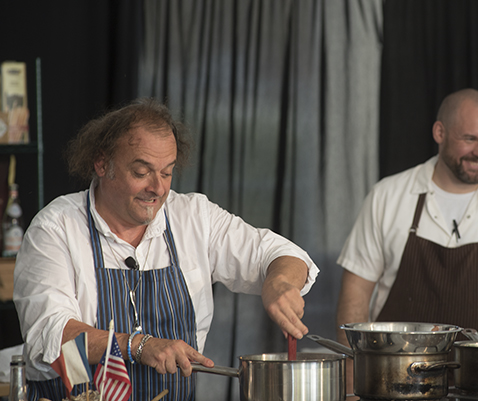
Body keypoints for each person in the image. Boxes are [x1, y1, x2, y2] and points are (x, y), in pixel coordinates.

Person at [13, 98, 319, 401]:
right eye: (142, 171)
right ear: (103, 163)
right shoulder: (56, 228)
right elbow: (50, 336)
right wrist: (139, 345)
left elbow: (280, 254)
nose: (158, 188)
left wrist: (279, 281)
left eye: (167, 172)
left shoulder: (193, 217)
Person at [336, 88, 478, 372]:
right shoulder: (387, 196)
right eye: (469, 139)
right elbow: (355, 292)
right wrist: (352, 384)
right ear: (439, 132)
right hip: (392, 386)